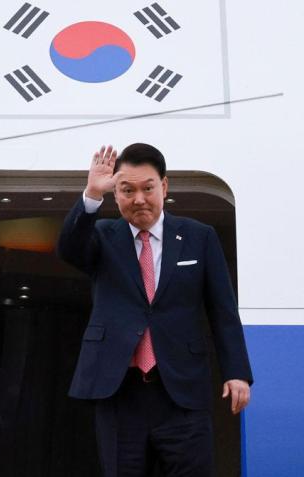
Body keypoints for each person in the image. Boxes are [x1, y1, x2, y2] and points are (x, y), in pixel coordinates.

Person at [57, 143, 253, 477]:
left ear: (164, 186)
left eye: (148, 188)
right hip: (120, 391)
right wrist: (91, 193)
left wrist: (237, 372)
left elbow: (222, 310)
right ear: (116, 193)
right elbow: (69, 249)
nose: (139, 199)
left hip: (181, 390)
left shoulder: (198, 237)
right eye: (126, 190)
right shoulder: (103, 235)